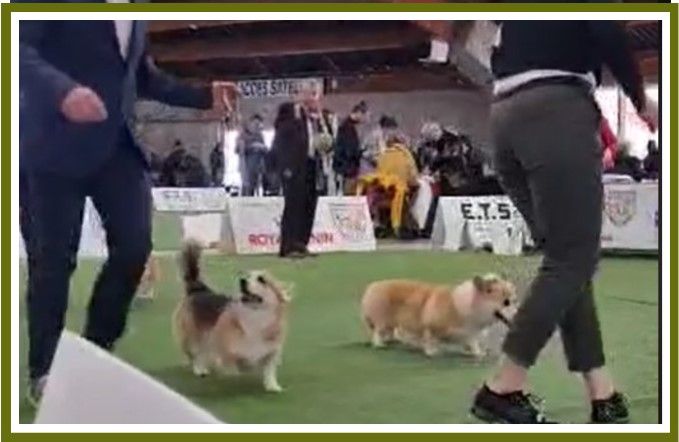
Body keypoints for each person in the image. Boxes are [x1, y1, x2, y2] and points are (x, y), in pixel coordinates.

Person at [19, 18, 235, 404]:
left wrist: (204, 96)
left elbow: (141, 76)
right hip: (50, 145)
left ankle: (94, 351)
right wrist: (62, 91)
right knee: (51, 264)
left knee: (135, 248)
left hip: (117, 148)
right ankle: (44, 368)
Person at [470, 20, 658, 424]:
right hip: (555, 111)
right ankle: (503, 387)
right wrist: (641, 101)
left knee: (567, 262)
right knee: (572, 259)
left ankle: (603, 393)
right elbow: (607, 30)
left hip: (504, 115)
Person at [271, 84, 324, 259]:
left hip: (311, 164)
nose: (313, 97)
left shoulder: (316, 117)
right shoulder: (289, 111)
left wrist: (318, 118)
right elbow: (281, 138)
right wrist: (285, 167)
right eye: (310, 93)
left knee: (309, 205)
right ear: (300, 94)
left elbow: (323, 138)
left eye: (315, 94)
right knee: (293, 205)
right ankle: (288, 246)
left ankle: (302, 243)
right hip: (293, 166)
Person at [333, 101, 368, 195]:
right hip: (348, 169)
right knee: (349, 196)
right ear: (359, 113)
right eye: (364, 116)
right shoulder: (347, 127)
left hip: (346, 168)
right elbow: (350, 150)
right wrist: (362, 152)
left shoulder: (347, 126)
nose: (365, 120)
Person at [236, 114, 268, 196]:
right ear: (251, 123)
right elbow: (238, 149)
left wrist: (262, 148)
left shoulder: (260, 136)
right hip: (246, 166)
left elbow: (265, 150)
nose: (257, 126)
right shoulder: (243, 135)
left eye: (258, 125)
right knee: (247, 187)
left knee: (255, 186)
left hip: (258, 167)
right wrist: (252, 146)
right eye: (255, 124)